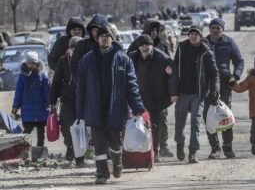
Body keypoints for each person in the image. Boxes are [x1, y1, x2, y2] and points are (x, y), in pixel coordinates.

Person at [76, 25, 145, 185]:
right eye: (101, 36)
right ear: (97, 39)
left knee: (115, 142)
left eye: (108, 36)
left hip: (116, 108)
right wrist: (79, 112)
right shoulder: (86, 60)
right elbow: (81, 88)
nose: (104, 38)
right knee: (99, 144)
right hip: (95, 108)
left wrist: (138, 108)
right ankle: (101, 173)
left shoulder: (123, 59)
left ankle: (117, 161)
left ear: (112, 39)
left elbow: (131, 85)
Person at [170, 26, 220, 163]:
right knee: (179, 123)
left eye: (196, 34)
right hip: (182, 93)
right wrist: (173, 91)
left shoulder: (206, 52)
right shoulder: (181, 48)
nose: (193, 36)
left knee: (195, 123)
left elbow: (214, 73)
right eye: (191, 34)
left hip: (198, 94)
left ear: (200, 36)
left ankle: (193, 152)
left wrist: (215, 89)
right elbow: (175, 71)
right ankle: (180, 144)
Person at [127, 18, 173, 157]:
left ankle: (162, 145)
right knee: (141, 120)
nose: (153, 33)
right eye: (151, 30)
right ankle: (142, 147)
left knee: (161, 118)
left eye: (156, 30)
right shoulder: (137, 44)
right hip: (141, 88)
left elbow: (169, 64)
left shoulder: (162, 44)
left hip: (159, 89)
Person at [203, 18, 244, 159]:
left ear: (223, 30)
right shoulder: (204, 43)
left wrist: (235, 76)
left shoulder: (229, 42)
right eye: (213, 28)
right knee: (208, 116)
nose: (215, 30)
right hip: (207, 85)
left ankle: (228, 147)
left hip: (225, 85)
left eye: (218, 28)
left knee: (224, 115)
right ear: (210, 29)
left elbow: (239, 61)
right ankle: (215, 149)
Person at [48, 36, 84, 166]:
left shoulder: (87, 59)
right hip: (67, 100)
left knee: (82, 128)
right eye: (73, 49)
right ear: (70, 48)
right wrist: (52, 100)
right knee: (66, 126)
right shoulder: (63, 60)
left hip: (83, 100)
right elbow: (56, 81)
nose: (76, 52)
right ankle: (70, 145)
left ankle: (79, 157)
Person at [12, 51, 49, 147]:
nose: (31, 65)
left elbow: (46, 91)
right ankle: (22, 147)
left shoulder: (42, 76)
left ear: (37, 64)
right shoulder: (22, 77)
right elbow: (18, 92)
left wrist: (49, 103)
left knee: (41, 132)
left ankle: (40, 149)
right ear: (25, 63)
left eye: (33, 63)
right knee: (27, 130)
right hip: (27, 109)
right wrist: (15, 106)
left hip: (41, 108)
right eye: (29, 63)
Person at [70, 14, 109, 82]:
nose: (96, 33)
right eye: (94, 30)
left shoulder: (114, 46)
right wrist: (82, 84)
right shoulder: (82, 45)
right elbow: (74, 66)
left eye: (99, 30)